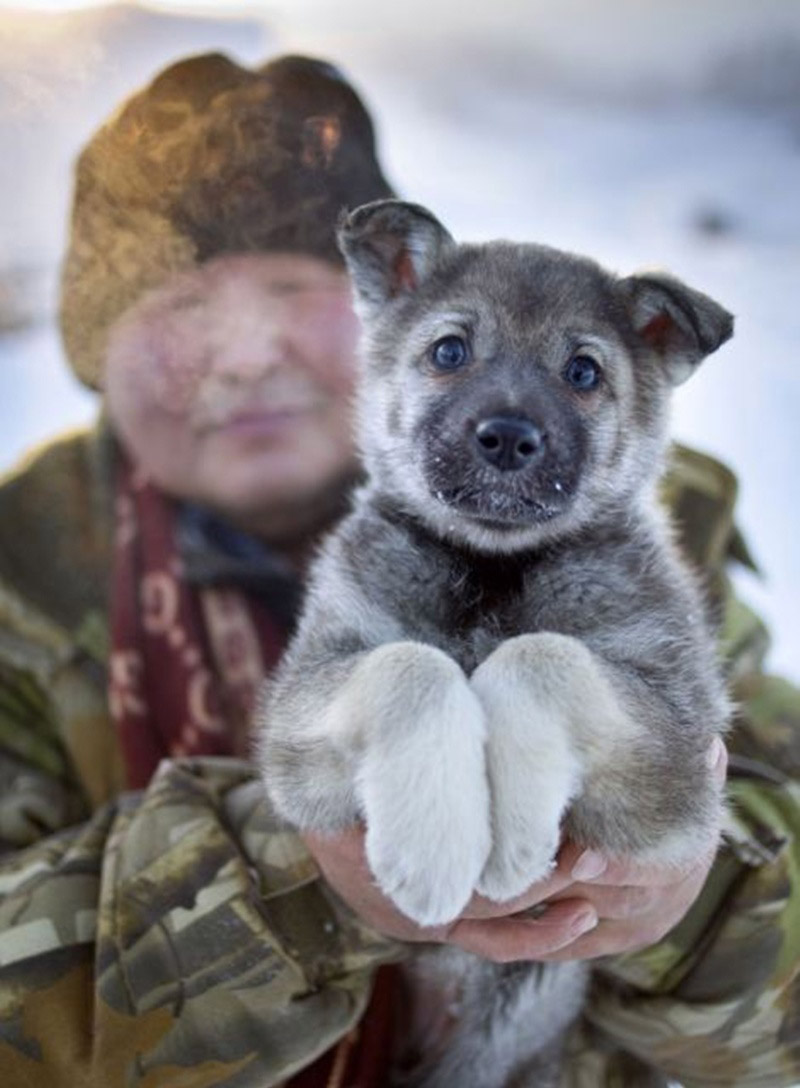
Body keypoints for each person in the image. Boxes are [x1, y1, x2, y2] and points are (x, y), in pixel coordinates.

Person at [0, 52, 797, 1088]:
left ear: (378, 296)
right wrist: (299, 867)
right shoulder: (21, 582)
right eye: (182, 303)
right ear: (102, 348)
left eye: (290, 286)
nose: (244, 353)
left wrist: (684, 900)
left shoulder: (653, 525)